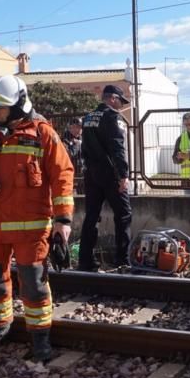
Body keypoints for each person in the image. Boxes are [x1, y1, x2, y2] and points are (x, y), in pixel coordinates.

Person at [0, 76, 75, 363]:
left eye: (1, 108)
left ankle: (40, 337)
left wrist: (63, 221)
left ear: (19, 105)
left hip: (31, 227)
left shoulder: (43, 133)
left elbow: (63, 175)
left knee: (34, 285)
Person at [78, 84, 132, 270]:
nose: (120, 105)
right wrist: (123, 175)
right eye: (120, 101)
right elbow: (117, 148)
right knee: (124, 215)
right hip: (110, 175)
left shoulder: (87, 118)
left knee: (91, 216)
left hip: (91, 174)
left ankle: (85, 261)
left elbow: (84, 149)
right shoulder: (112, 117)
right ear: (112, 98)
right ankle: (122, 260)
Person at [61, 117, 85, 191]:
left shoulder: (83, 138)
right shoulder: (65, 139)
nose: (77, 130)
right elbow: (68, 154)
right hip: (70, 171)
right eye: (74, 127)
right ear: (70, 128)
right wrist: (76, 145)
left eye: (79, 127)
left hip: (82, 171)